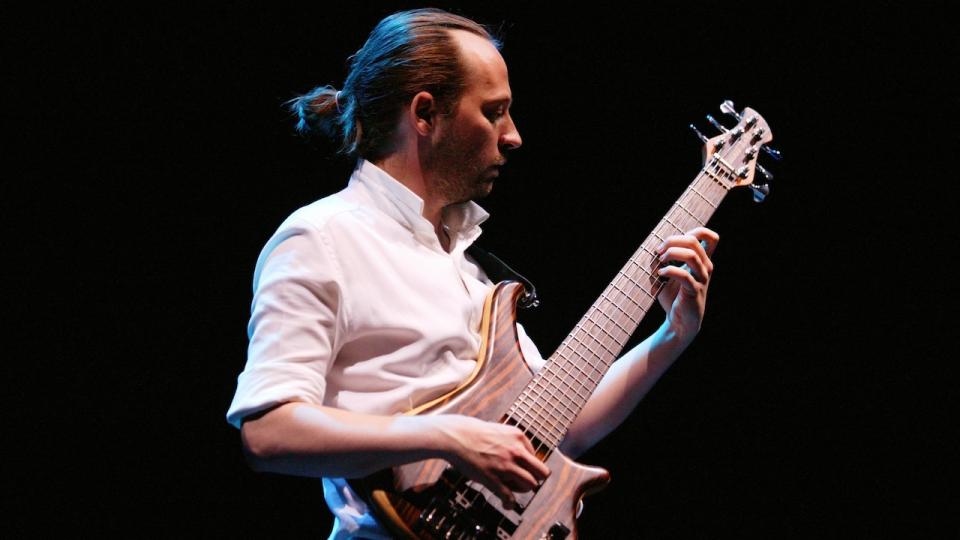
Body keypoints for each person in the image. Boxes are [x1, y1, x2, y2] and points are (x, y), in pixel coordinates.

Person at [227, 8, 718, 538]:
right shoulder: (322, 238)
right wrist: (446, 436)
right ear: (424, 114)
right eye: (494, 112)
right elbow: (269, 431)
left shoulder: (472, 270)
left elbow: (557, 430)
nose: (513, 137)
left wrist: (672, 335)